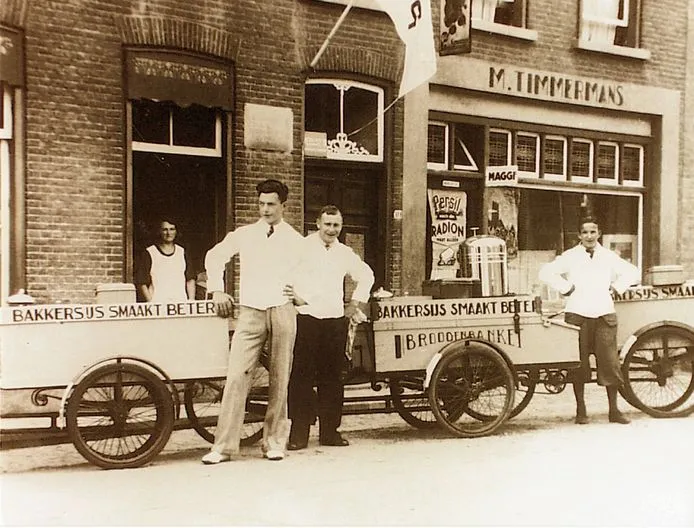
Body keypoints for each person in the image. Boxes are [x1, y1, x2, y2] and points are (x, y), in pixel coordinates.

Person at [201, 179, 303, 464]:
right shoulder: (245, 234)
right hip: (251, 309)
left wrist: (301, 296)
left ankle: (274, 441)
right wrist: (217, 289)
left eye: (271, 204)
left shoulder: (295, 239)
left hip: (282, 308)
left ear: (283, 205)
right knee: (236, 375)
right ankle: (223, 446)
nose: (265, 209)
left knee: (280, 376)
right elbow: (214, 256)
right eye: (261, 204)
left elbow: (313, 272)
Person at [284, 205, 374, 450]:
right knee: (301, 376)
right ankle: (298, 433)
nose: (331, 230)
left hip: (334, 320)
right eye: (327, 224)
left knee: (332, 377)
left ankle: (330, 432)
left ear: (341, 227)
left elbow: (366, 275)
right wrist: (295, 297)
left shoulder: (344, 253)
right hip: (307, 318)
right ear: (318, 224)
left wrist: (355, 304)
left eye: (336, 225)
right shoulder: (302, 247)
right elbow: (284, 274)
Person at [539, 214, 640, 425]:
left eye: (593, 231)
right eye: (585, 232)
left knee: (610, 362)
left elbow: (632, 272)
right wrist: (566, 288)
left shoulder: (608, 256)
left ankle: (614, 410)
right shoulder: (571, 256)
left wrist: (616, 287)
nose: (589, 236)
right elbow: (546, 272)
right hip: (578, 315)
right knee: (578, 364)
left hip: (604, 314)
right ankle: (581, 409)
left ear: (599, 233)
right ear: (579, 235)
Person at [134, 218, 196, 302]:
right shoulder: (150, 252)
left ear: (176, 231)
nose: (168, 233)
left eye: (172, 229)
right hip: (158, 302)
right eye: (164, 230)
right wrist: (150, 302)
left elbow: (190, 279)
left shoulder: (182, 252)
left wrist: (191, 300)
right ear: (159, 231)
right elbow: (142, 282)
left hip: (180, 302)